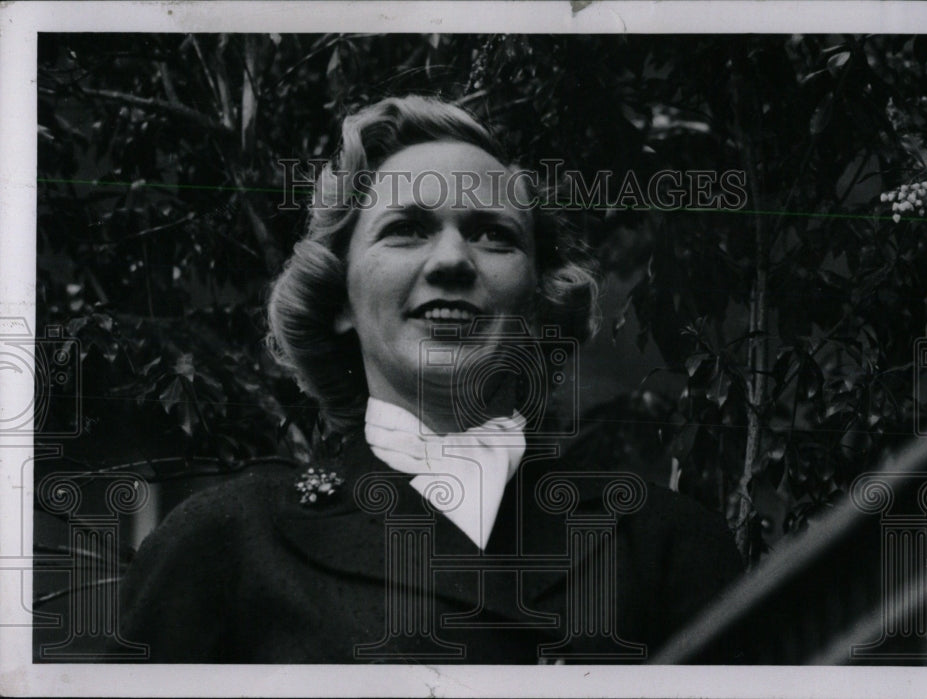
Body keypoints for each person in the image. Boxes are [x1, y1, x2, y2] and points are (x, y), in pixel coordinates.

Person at [118, 94, 743, 663]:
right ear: (339, 298)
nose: (450, 260)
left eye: (493, 235)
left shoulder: (664, 543)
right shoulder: (227, 542)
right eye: (406, 230)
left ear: (536, 302)